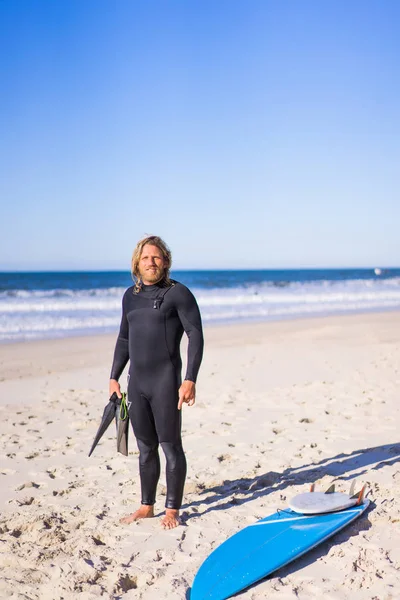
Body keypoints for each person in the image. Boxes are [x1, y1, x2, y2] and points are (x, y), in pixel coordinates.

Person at [109, 235, 204, 529]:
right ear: (137, 262)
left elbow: (196, 335)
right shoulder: (130, 296)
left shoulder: (178, 294)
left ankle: (172, 509)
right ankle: (146, 506)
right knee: (145, 447)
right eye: (146, 258)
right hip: (136, 383)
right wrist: (113, 376)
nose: (151, 262)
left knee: (170, 445)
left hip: (166, 382)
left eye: (157, 257)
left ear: (166, 261)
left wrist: (189, 379)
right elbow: (124, 338)